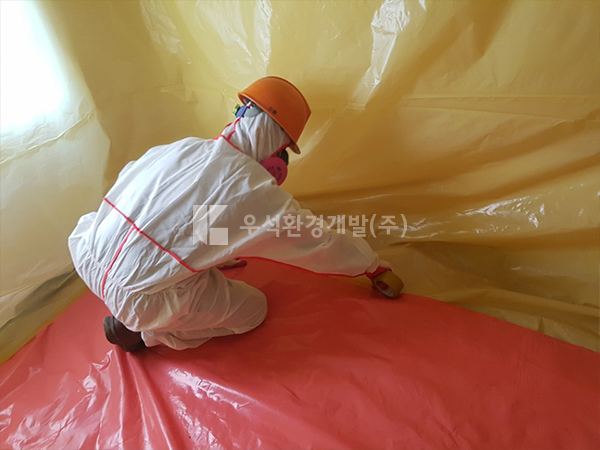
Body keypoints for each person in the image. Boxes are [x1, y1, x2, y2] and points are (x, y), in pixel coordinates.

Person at [68, 76, 397, 352]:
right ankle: (144, 334)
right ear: (278, 149)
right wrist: (372, 265)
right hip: (140, 298)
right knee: (253, 311)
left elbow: (178, 212)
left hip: (87, 252)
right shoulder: (255, 190)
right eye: (284, 151)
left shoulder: (183, 147)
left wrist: (217, 253)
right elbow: (318, 243)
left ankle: (144, 311)